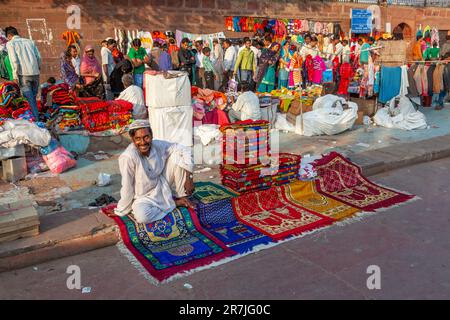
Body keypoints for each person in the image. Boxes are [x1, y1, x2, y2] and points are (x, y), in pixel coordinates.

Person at [114, 120, 195, 224]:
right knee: (142, 217)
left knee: (177, 155)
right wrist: (122, 210)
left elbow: (183, 149)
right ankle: (175, 203)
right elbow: (127, 186)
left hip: (161, 185)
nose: (143, 142)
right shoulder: (128, 157)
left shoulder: (157, 145)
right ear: (133, 140)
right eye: (138, 139)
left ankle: (182, 195)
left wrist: (189, 178)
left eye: (146, 137)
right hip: (142, 197)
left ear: (152, 136)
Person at [5, 26, 41, 120]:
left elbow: (14, 60)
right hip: (35, 73)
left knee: (30, 99)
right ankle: (34, 116)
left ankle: (36, 119)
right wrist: (38, 67)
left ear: (9, 36)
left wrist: (15, 75)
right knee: (32, 97)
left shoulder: (10, 43)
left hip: (23, 74)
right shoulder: (30, 41)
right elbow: (38, 57)